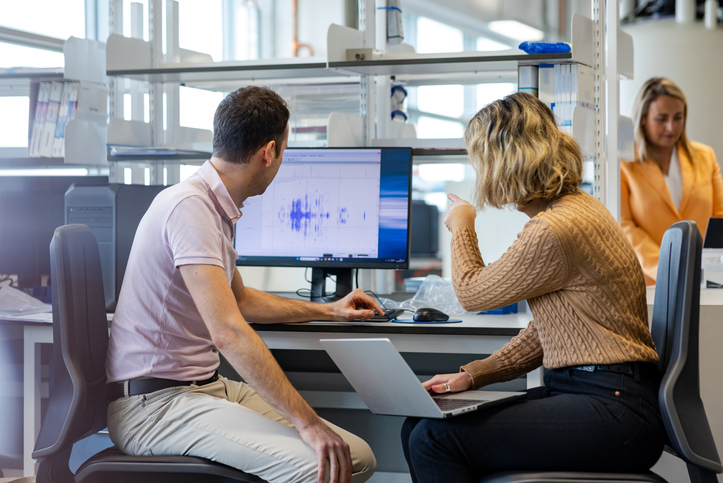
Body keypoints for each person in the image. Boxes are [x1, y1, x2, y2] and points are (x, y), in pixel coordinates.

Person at [105, 86, 380, 483]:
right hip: (156, 406)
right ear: (269, 152)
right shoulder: (190, 208)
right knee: (319, 467)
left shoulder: (214, 208)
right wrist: (307, 424)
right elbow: (229, 332)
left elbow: (241, 301)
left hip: (203, 389)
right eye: (284, 152)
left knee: (357, 456)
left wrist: (330, 309)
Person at [401, 92, 666, 483]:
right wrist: (475, 375)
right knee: (418, 427)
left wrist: (462, 225)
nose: (481, 176)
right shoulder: (574, 210)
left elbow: (471, 293)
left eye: (482, 162)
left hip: (614, 409)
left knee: (433, 440)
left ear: (504, 164)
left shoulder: (555, 228)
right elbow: (548, 331)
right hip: (604, 396)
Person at [621, 77, 723, 285]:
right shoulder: (625, 162)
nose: (671, 127)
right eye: (661, 118)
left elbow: (720, 217)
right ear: (642, 118)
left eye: (678, 117)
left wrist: (712, 267)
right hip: (650, 281)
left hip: (705, 280)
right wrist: (667, 267)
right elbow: (625, 226)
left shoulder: (705, 156)